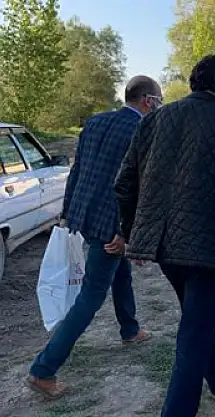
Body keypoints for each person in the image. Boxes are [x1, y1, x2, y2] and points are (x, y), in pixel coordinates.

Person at [115, 55, 215, 417]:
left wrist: (134, 235)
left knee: (197, 320)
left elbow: (124, 184)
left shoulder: (154, 119)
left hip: (166, 248)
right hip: (212, 252)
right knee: (194, 335)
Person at [25, 76, 161, 399]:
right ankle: (43, 370)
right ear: (148, 100)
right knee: (92, 294)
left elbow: (77, 169)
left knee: (119, 270)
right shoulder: (143, 129)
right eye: (159, 100)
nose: (160, 105)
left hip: (84, 215)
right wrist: (125, 233)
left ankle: (130, 329)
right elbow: (137, 188)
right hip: (110, 224)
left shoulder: (96, 122)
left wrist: (68, 212)